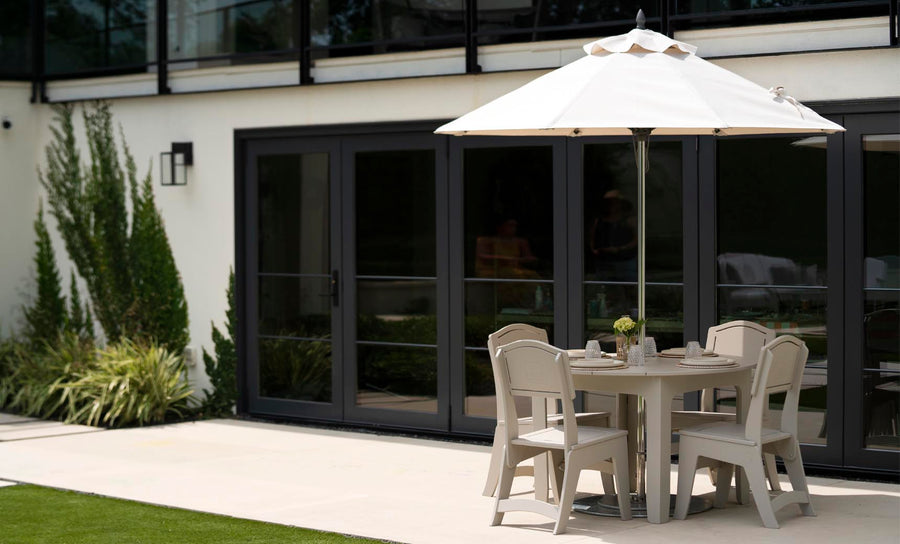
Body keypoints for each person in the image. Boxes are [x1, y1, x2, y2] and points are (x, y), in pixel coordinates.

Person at [589, 190, 637, 281]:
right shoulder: (599, 220)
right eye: (609, 202)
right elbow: (592, 236)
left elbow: (638, 239)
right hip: (604, 261)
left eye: (614, 202)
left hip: (625, 261)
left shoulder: (629, 219)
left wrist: (621, 248)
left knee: (629, 288)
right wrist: (595, 249)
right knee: (605, 289)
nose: (612, 204)